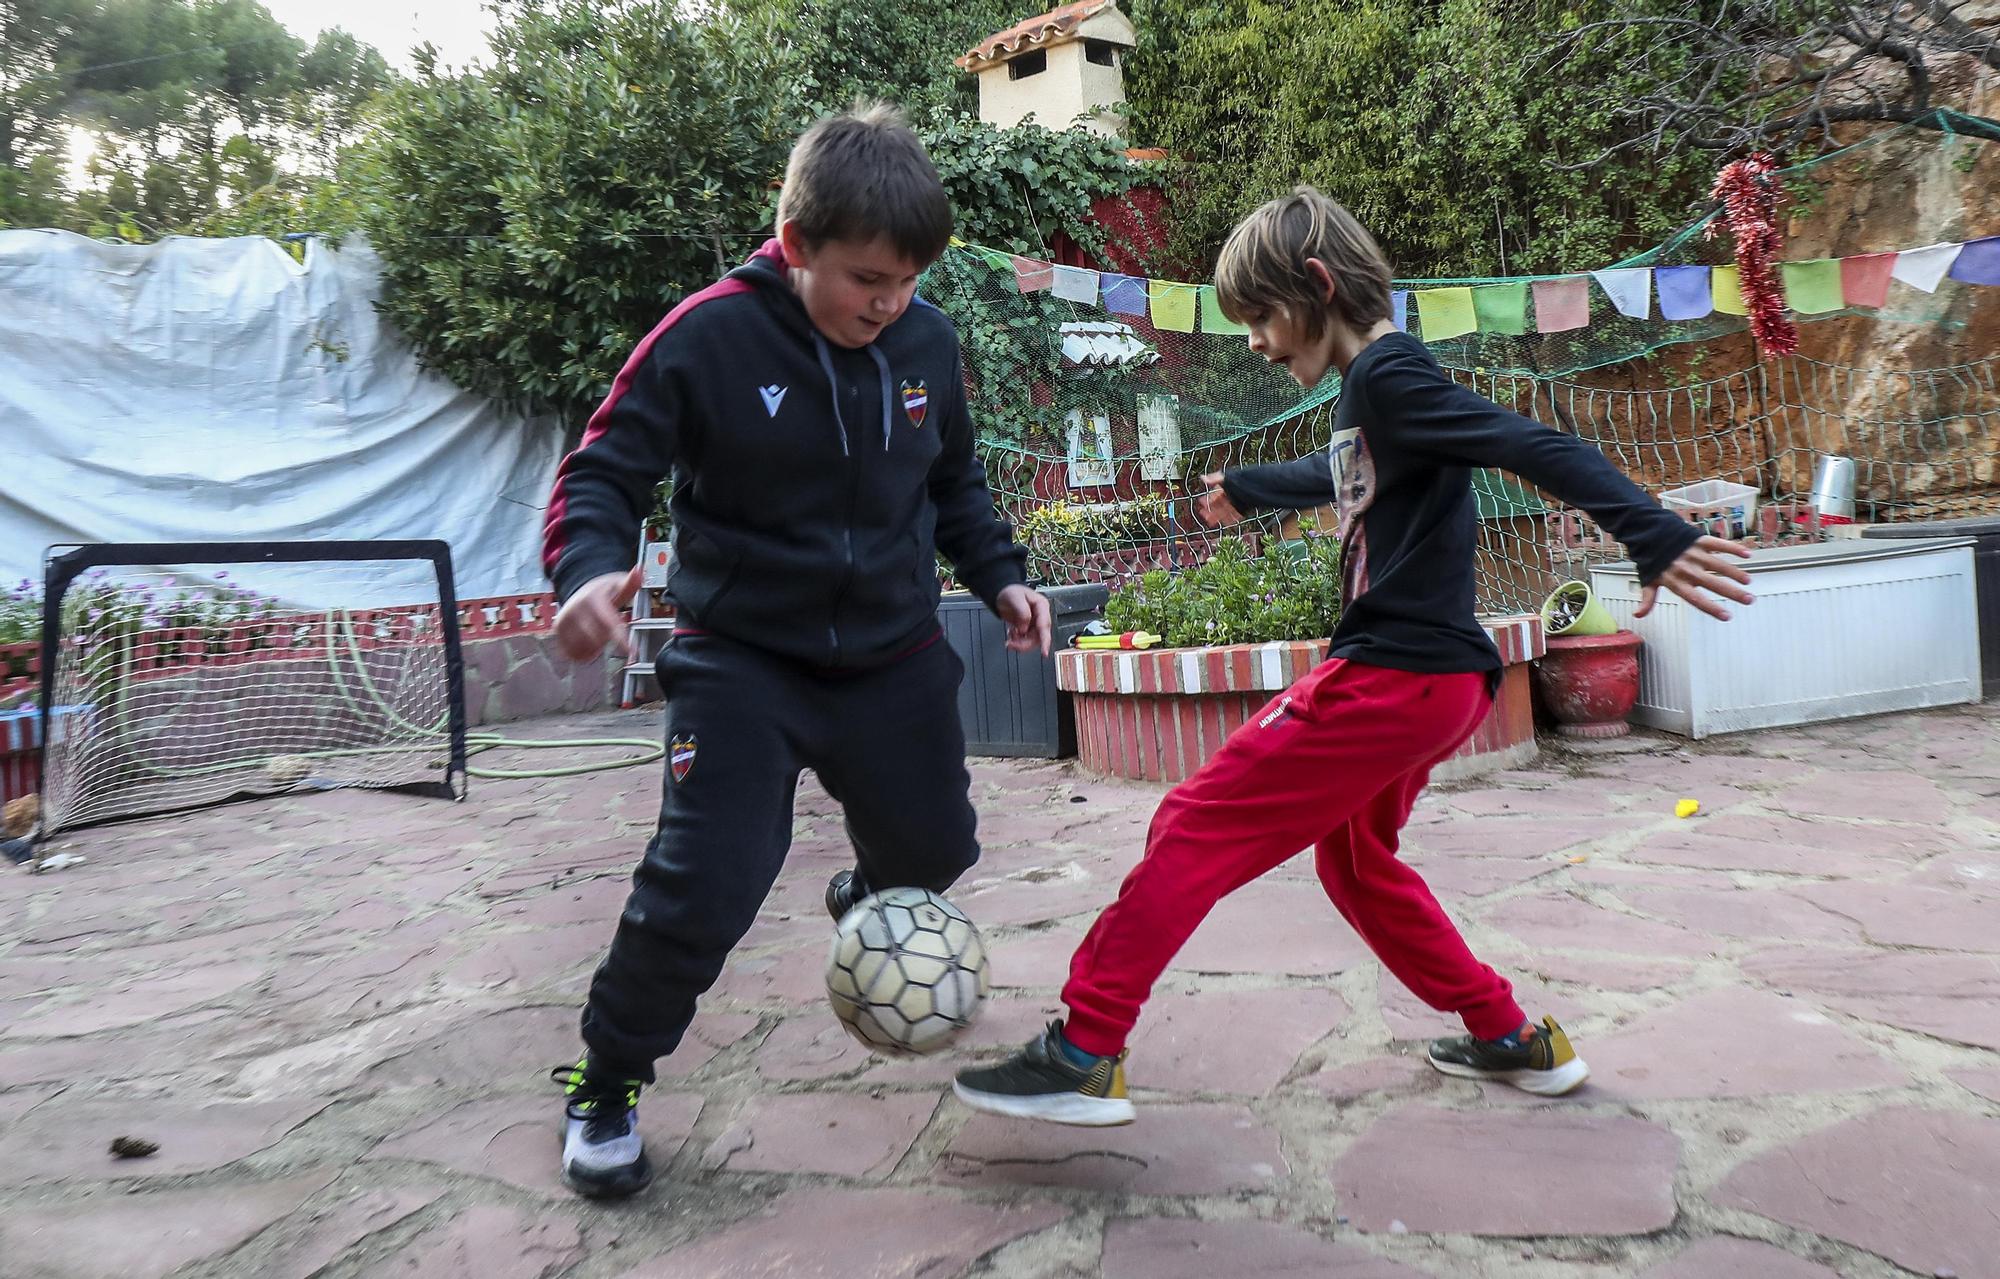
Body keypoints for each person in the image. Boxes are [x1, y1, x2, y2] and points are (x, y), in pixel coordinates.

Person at [953, 187, 1754, 1125]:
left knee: (1193, 821)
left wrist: (1649, 534)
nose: (1253, 340)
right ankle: (1507, 1034)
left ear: (1318, 285)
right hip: (1439, 680)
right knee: (1358, 864)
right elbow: (1343, 474)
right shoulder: (1374, 397)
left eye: (1259, 316)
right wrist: (1250, 488)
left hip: (1392, 675)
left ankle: (1084, 1048)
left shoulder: (1388, 378)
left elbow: (1528, 441)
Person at [540, 103, 1050, 1195]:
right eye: (866, 278)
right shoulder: (705, 336)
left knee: (935, 858)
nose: (888, 302)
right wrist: (584, 572)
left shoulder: (926, 341)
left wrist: (1000, 574)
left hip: (893, 655)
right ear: (795, 241)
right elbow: (602, 470)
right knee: (706, 883)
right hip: (743, 662)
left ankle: (863, 887)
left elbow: (951, 480)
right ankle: (608, 1077)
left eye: (906, 280)